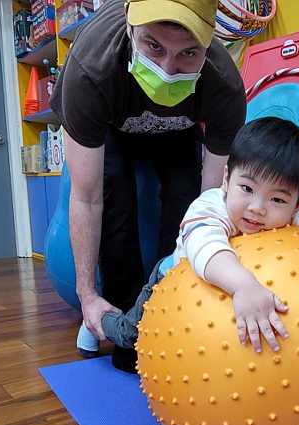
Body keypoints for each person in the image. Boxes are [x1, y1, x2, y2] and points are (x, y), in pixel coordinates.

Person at [100, 117, 299, 365]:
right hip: (171, 279)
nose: (257, 207)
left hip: (237, 292)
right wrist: (244, 286)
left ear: (298, 205)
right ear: (226, 179)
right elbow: (207, 249)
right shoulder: (210, 207)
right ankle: (100, 320)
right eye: (247, 188)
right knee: (133, 335)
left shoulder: (296, 215)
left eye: (277, 199)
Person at [49, 0, 247, 372]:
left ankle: (170, 312)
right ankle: (116, 321)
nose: (167, 71)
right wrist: (86, 295)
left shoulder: (223, 86)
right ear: (129, 26)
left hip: (180, 128)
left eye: (188, 53)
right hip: (113, 122)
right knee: (116, 202)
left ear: (209, 45)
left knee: (184, 200)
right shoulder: (90, 71)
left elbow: (210, 203)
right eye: (153, 46)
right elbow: (86, 198)